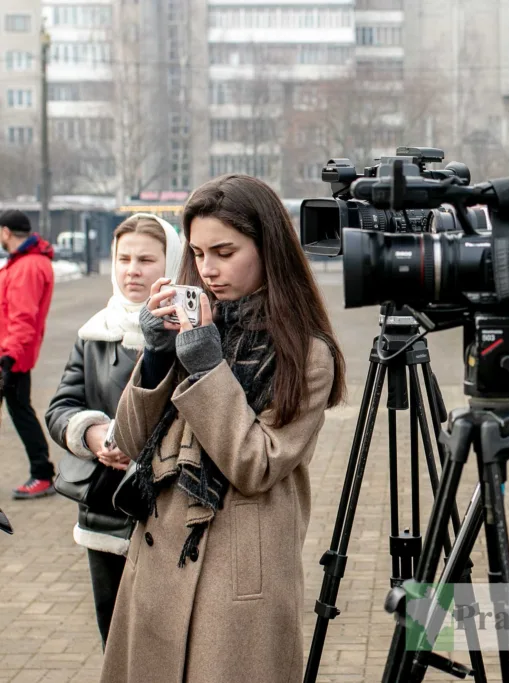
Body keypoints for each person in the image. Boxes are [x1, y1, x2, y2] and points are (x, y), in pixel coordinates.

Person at [99, 174, 346, 683]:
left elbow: (256, 464)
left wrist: (209, 369)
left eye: (224, 251)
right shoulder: (193, 329)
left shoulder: (307, 352)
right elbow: (127, 443)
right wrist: (155, 358)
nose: (208, 269)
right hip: (158, 566)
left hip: (236, 582)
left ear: (268, 247)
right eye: (198, 252)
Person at [45, 213, 183, 649]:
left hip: (171, 512)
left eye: (146, 259)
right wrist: (94, 435)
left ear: (172, 264)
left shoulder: (192, 331)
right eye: (123, 258)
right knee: (117, 646)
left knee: (168, 647)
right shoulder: (95, 332)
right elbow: (61, 407)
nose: (132, 270)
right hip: (106, 512)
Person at [0, 209, 56, 499]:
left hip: (10, 356)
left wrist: (8, 357)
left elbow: (23, 317)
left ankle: (42, 473)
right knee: (20, 411)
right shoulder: (23, 263)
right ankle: (41, 471)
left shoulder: (27, 266)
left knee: (21, 412)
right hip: (11, 352)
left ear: (6, 232)